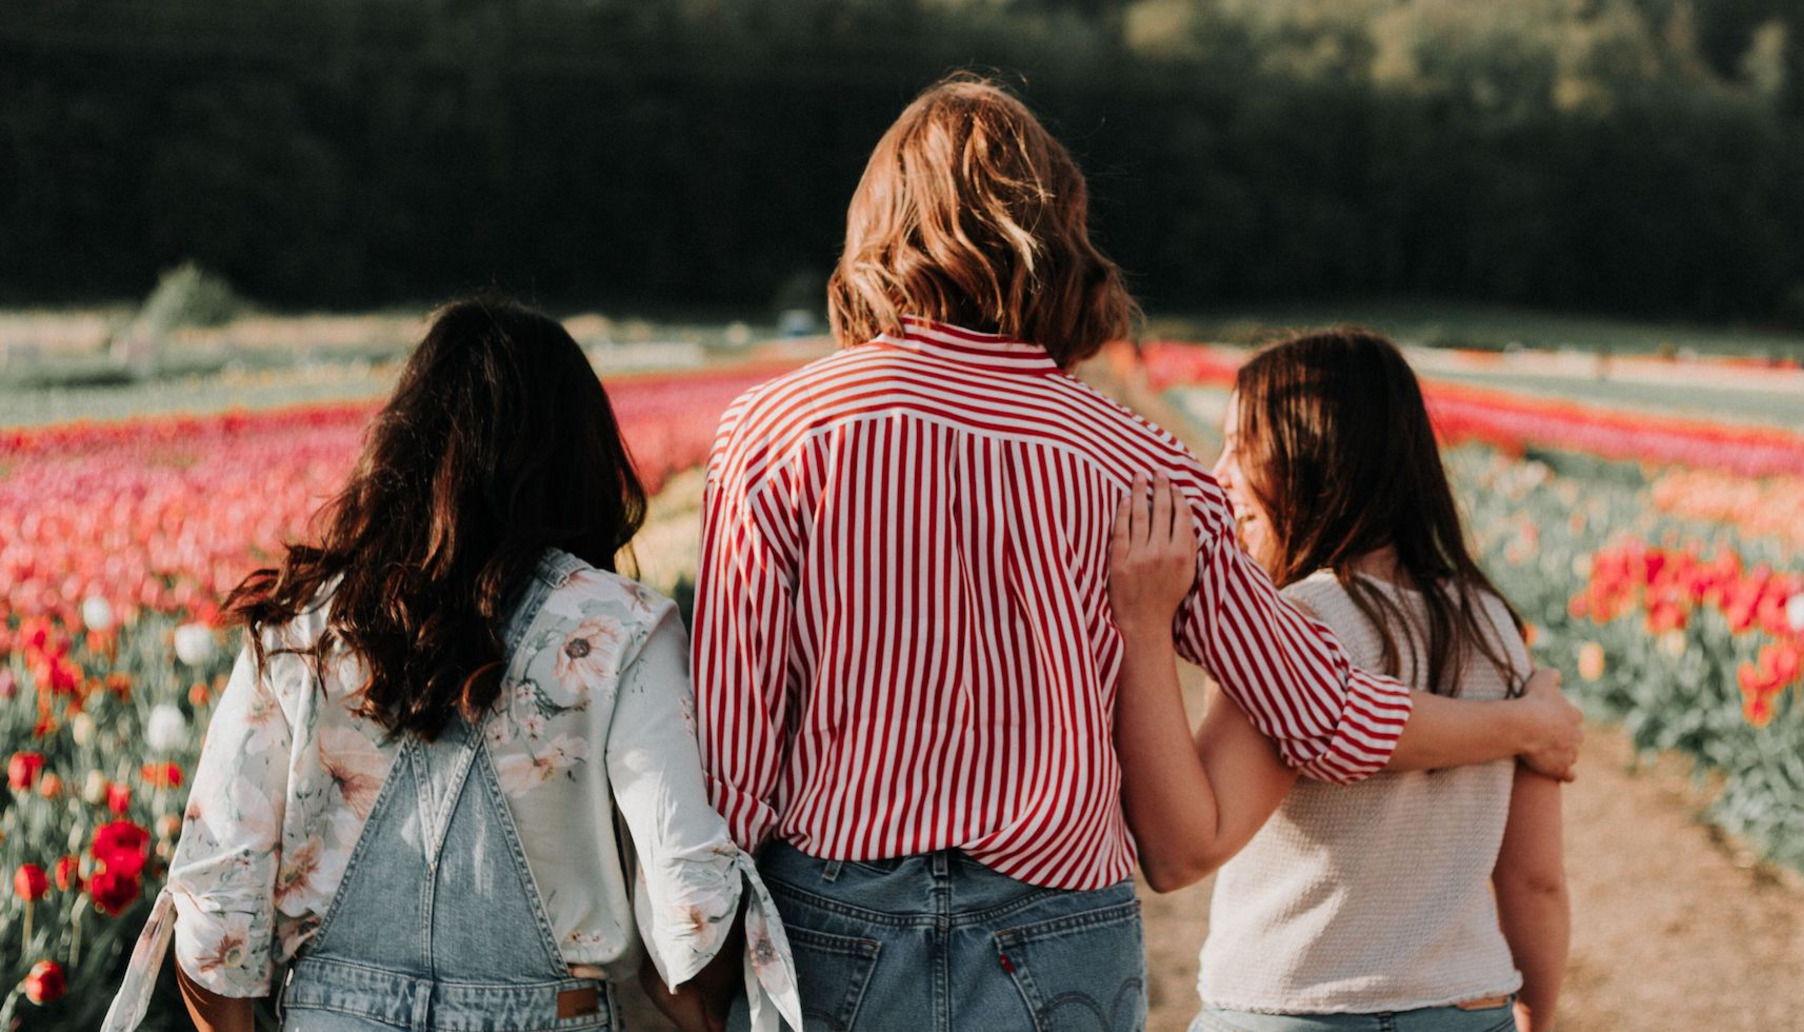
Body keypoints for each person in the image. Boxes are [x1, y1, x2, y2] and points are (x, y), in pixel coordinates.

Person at [693, 76, 1582, 1032]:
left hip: (831, 915)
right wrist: (1518, 727)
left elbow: (734, 747)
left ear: (879, 231)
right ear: (1058, 235)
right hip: (1055, 923)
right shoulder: (1139, 464)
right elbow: (1323, 714)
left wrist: (699, 958)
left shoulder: (779, 431)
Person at [101, 298, 802, 1032]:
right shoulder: (620, 627)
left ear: (403, 445)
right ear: (578, 453)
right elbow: (690, 907)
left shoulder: (301, 623)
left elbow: (215, 910)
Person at [1106, 327, 1569, 1032]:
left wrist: (1144, 628)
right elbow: (1535, 879)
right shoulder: (1495, 627)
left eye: (1241, 447)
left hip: (1297, 1005)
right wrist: (1535, 1008)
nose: (1219, 474)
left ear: (1311, 455)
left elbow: (1180, 850)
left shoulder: (1293, 623)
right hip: (1468, 1010)